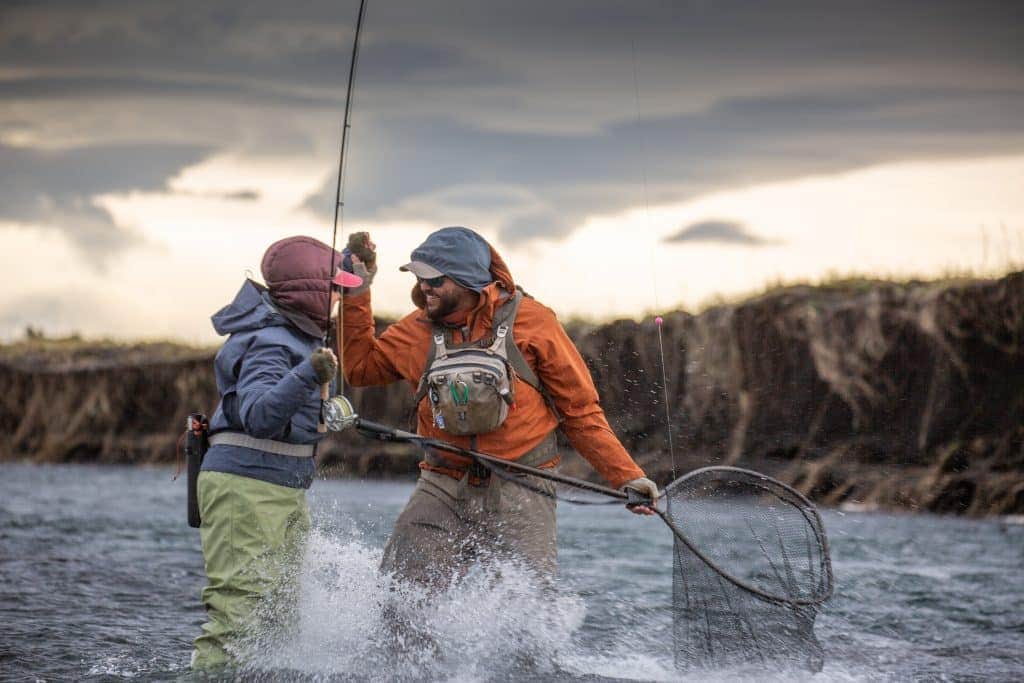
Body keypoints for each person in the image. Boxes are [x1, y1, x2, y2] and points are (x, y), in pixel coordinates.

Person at [340, 226, 659, 588]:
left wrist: (628, 477)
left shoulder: (535, 321)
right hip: (443, 484)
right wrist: (357, 293)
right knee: (400, 597)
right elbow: (360, 369)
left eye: (434, 280)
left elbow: (580, 411)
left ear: (467, 281)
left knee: (526, 615)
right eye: (418, 277)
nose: (423, 287)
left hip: (523, 487)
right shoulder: (414, 330)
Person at [191, 235, 361, 669]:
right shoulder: (272, 341)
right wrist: (308, 373)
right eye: (335, 289)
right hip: (245, 487)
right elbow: (258, 415)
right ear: (309, 292)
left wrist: (359, 266)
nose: (340, 297)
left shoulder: (300, 337)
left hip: (280, 487)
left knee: (280, 617)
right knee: (239, 614)